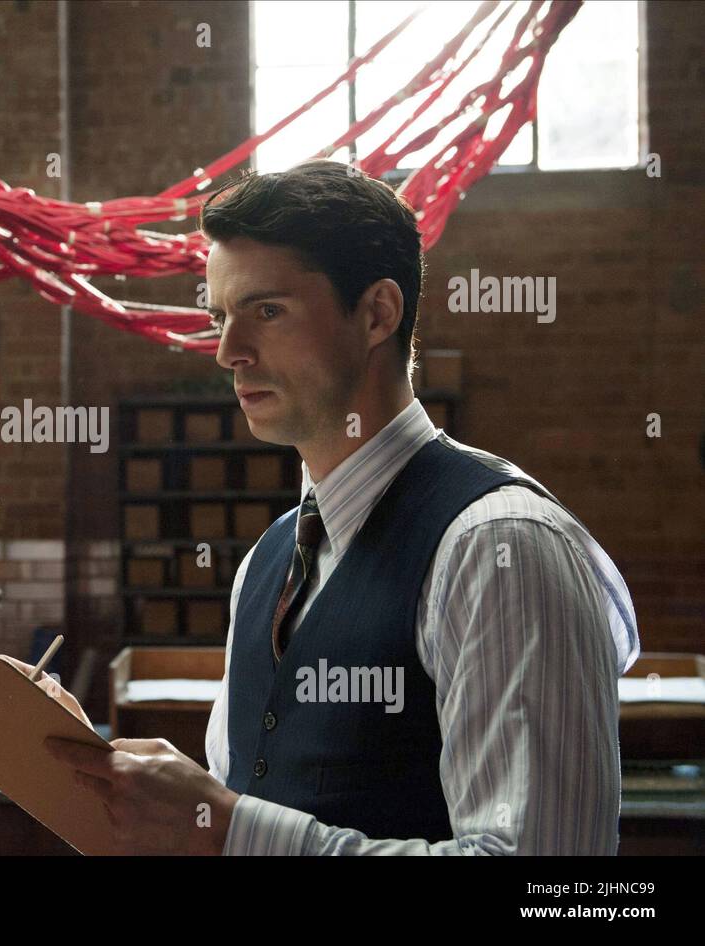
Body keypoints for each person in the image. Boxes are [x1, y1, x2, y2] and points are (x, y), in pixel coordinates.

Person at [32, 160, 639, 855]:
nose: (229, 351)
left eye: (267, 311)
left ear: (377, 313)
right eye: (218, 317)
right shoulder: (267, 561)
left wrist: (230, 830)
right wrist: (112, 783)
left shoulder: (500, 546)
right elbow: (259, 813)